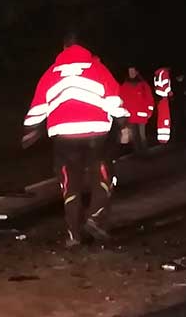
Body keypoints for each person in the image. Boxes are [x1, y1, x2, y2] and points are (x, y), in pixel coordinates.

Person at [22, 34, 126, 246]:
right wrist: (123, 124)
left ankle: (73, 235)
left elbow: (38, 107)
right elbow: (114, 99)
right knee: (103, 175)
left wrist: (30, 129)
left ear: (63, 47)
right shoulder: (97, 68)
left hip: (64, 135)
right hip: (96, 132)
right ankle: (95, 218)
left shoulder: (51, 73)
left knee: (70, 183)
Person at [118, 66, 155, 154]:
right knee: (134, 137)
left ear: (136, 72)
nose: (131, 73)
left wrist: (150, 111)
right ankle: (137, 154)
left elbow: (150, 99)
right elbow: (121, 100)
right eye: (130, 71)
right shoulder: (124, 86)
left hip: (142, 116)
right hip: (130, 116)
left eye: (133, 71)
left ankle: (145, 153)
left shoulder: (143, 85)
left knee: (142, 136)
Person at [152, 66, 174, 145]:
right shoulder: (164, 73)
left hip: (159, 99)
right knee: (165, 118)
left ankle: (161, 138)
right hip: (164, 98)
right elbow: (165, 85)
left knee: (161, 119)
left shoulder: (157, 74)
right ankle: (165, 139)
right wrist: (169, 92)